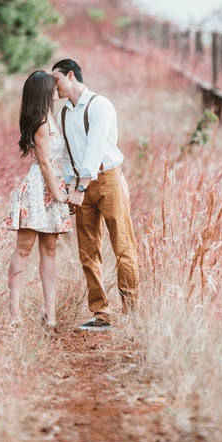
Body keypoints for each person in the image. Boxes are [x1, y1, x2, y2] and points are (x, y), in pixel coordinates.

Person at [52, 58, 139, 332]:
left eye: (57, 80)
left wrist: (80, 187)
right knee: (88, 251)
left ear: (70, 75)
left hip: (108, 180)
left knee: (122, 246)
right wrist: (69, 187)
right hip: (80, 186)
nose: (54, 87)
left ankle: (132, 312)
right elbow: (66, 155)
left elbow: (94, 147)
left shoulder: (99, 105)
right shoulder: (63, 113)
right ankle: (101, 314)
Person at [7, 70, 72, 329]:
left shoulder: (50, 118)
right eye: (51, 86)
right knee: (24, 248)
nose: (56, 89)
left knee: (50, 250)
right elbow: (44, 161)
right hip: (39, 189)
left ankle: (50, 311)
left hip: (52, 186)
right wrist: (58, 194)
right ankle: (14, 314)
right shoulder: (42, 123)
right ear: (42, 92)